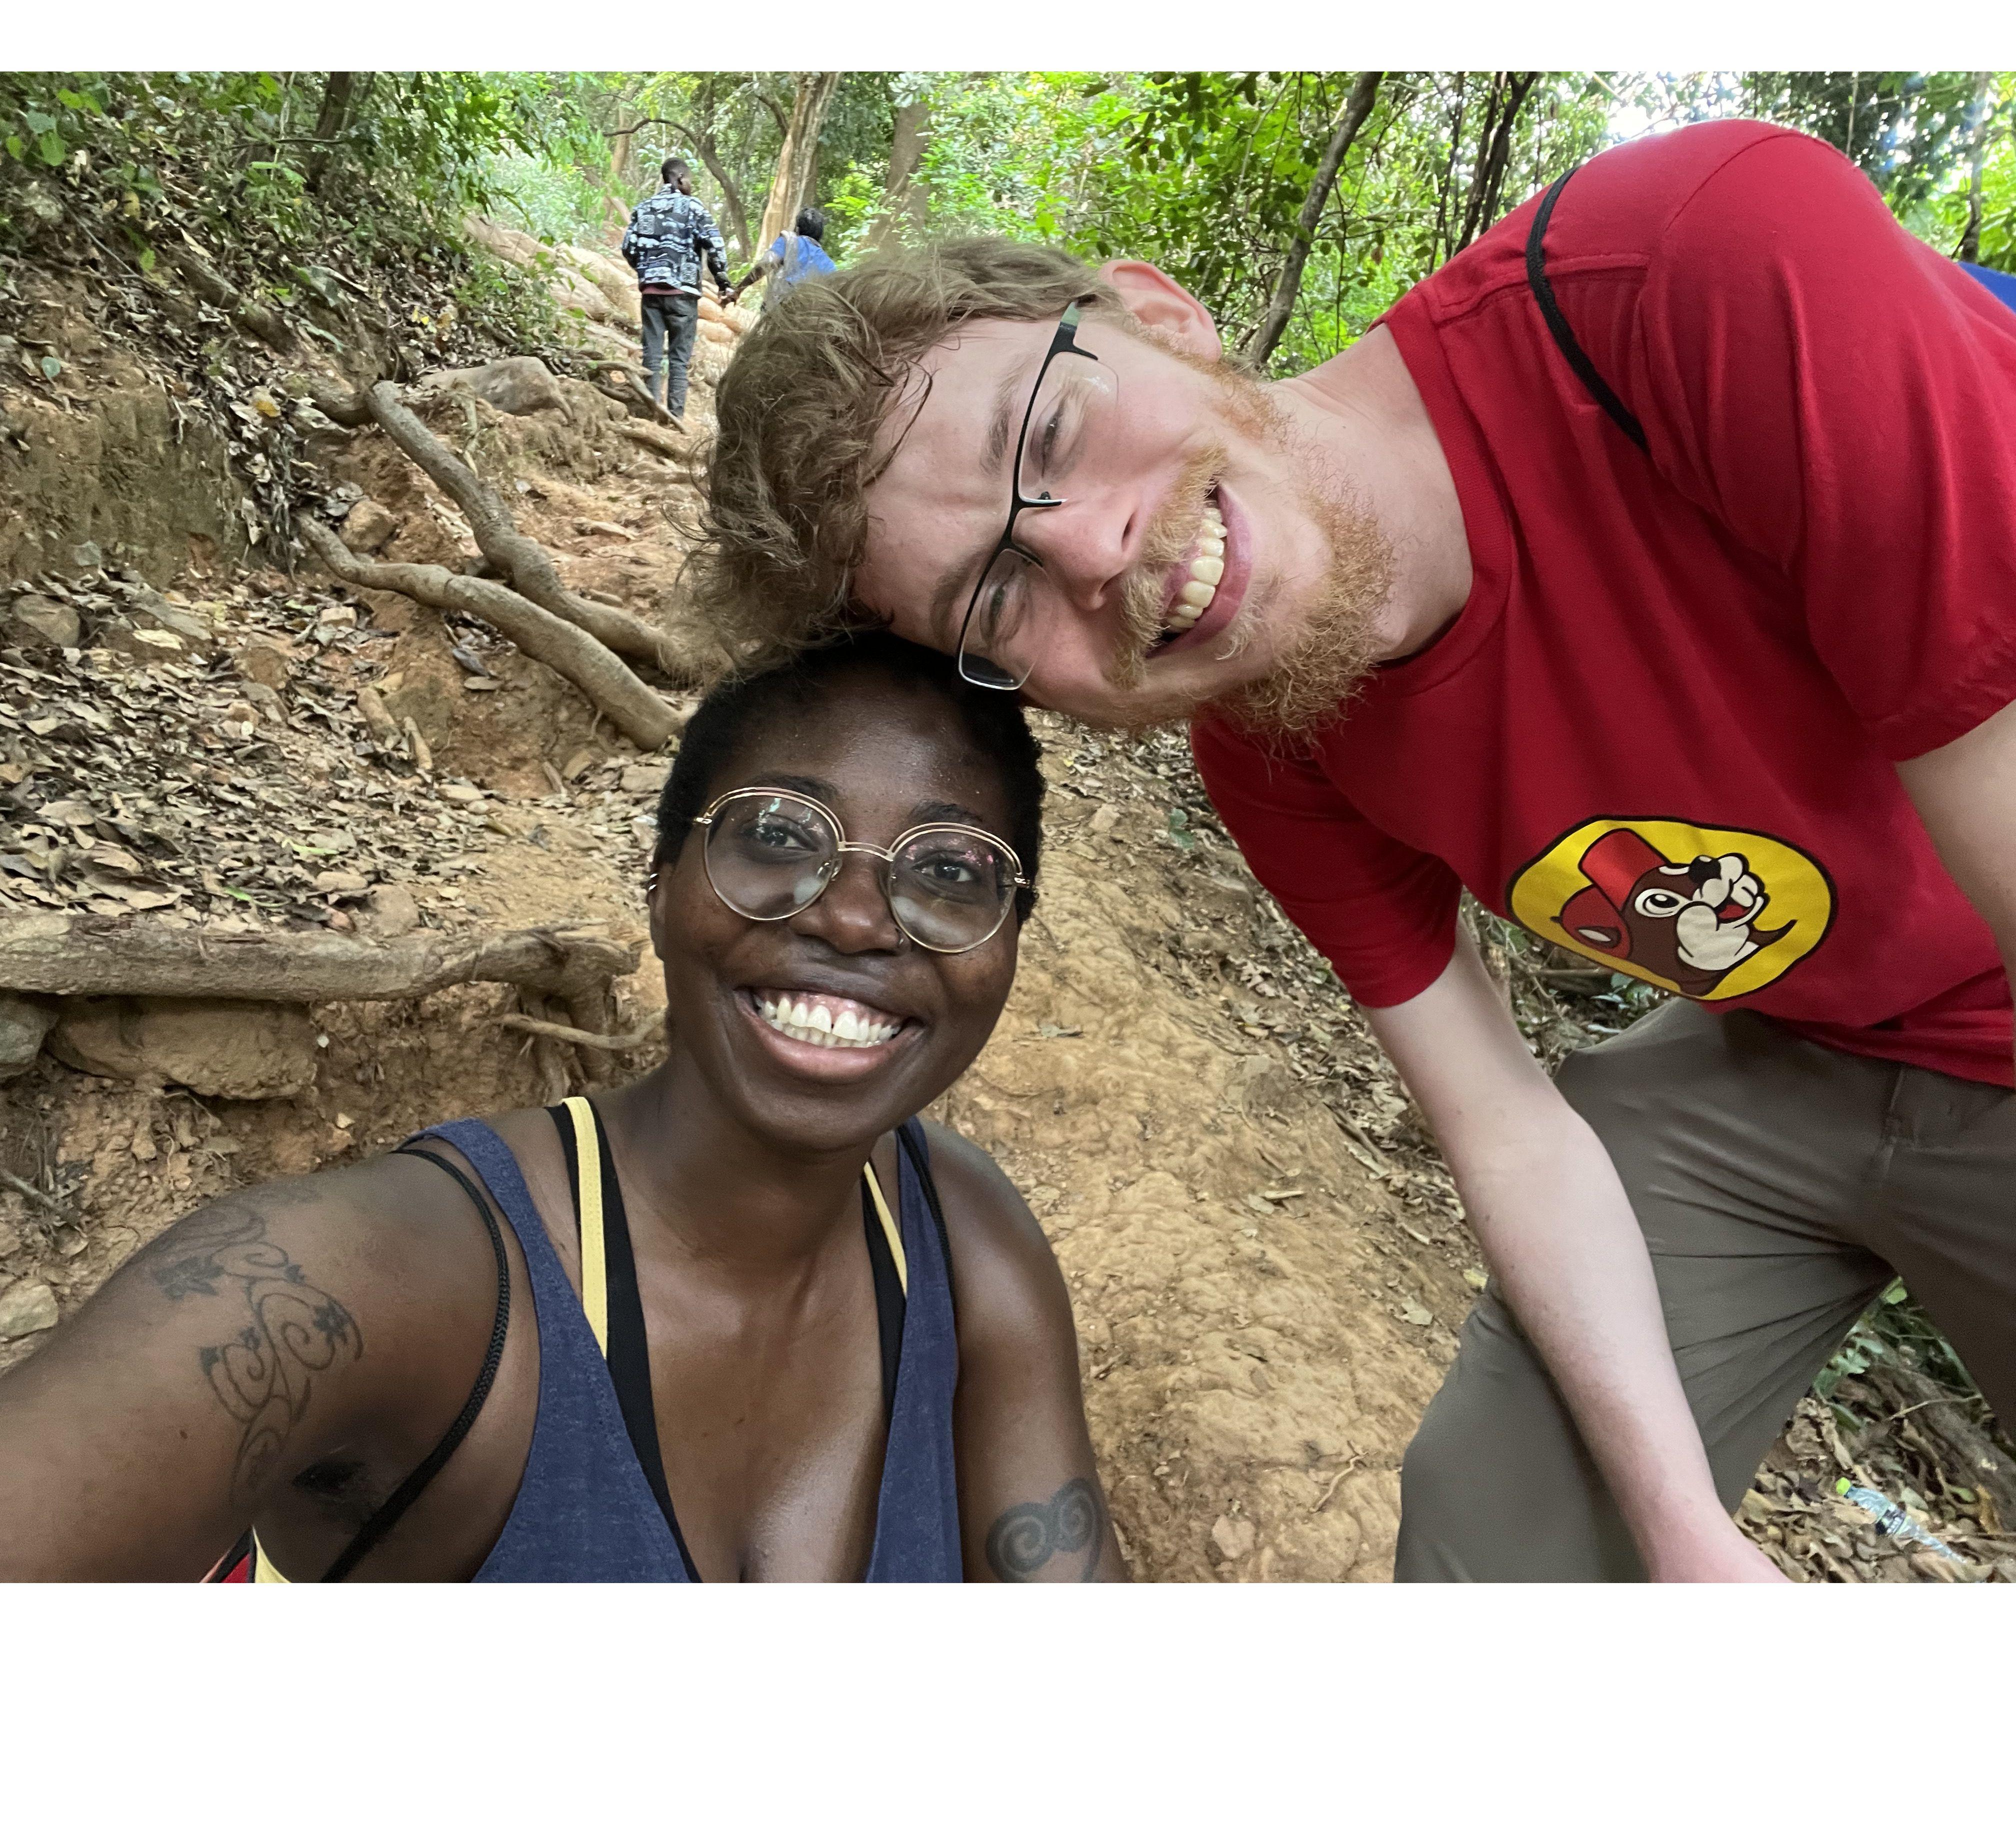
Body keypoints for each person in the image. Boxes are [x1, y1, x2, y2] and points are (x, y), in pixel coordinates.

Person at [692, 119, 2016, 1582]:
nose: (1097, 552)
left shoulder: (1689, 266)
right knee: (1499, 1538)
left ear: (1161, 315)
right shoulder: (1269, 740)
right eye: (998, 595)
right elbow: (1501, 1120)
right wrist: (1686, 1536)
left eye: (1050, 438)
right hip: (1789, 1038)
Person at [0, 633, 1125, 1583]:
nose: (855, 920)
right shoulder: (388, 1281)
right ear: (661, 882)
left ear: (1011, 944)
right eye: (779, 835)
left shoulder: (963, 1234)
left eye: (950, 872)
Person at [621, 157, 734, 420]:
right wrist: (723, 283)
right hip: (683, 295)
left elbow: (628, 248)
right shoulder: (693, 208)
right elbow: (714, 246)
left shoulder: (644, 209)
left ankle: (651, 413)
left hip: (651, 294)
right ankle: (675, 417)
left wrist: (646, 271)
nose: (691, 185)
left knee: (651, 353)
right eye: (690, 180)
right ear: (680, 179)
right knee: (679, 360)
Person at [731, 205, 838, 306]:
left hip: (780, 310)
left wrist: (738, 291)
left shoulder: (790, 241)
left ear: (797, 229)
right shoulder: (830, 266)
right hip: (810, 318)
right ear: (820, 235)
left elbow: (767, 263)